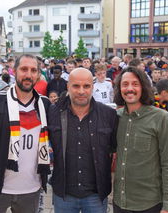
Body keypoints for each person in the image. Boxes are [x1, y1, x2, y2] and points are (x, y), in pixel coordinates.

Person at [0, 54, 51, 213]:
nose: (28, 74)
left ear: (38, 74)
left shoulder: (45, 104)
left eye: (33, 70)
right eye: (24, 69)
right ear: (14, 71)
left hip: (31, 189)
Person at [48, 67, 118, 213]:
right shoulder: (53, 113)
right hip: (64, 194)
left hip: (96, 195)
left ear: (93, 87)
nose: (81, 91)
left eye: (86, 86)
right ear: (68, 86)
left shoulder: (108, 115)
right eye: (76, 86)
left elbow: (114, 149)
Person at [113, 66, 168, 213]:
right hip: (119, 202)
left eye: (135, 84)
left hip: (149, 204)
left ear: (144, 87)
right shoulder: (115, 117)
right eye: (125, 84)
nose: (130, 88)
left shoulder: (161, 118)